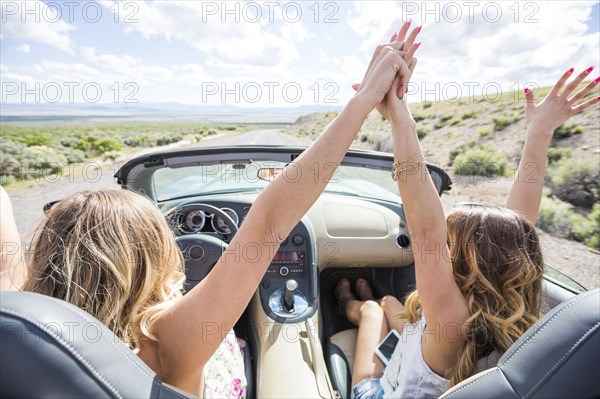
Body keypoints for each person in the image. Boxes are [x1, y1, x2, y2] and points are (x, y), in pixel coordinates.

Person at [0, 23, 422, 397]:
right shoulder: (168, 341)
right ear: (151, 260)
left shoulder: (17, 318)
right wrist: (366, 99)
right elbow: (272, 218)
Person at [337, 58, 600, 398]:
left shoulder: (450, 317)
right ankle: (370, 307)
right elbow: (519, 227)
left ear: (460, 261)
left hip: (383, 392)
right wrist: (539, 133)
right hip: (428, 359)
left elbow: (425, 232)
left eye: (448, 245)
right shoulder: (515, 318)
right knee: (389, 301)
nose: (439, 249)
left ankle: (350, 306)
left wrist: (401, 119)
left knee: (374, 311)